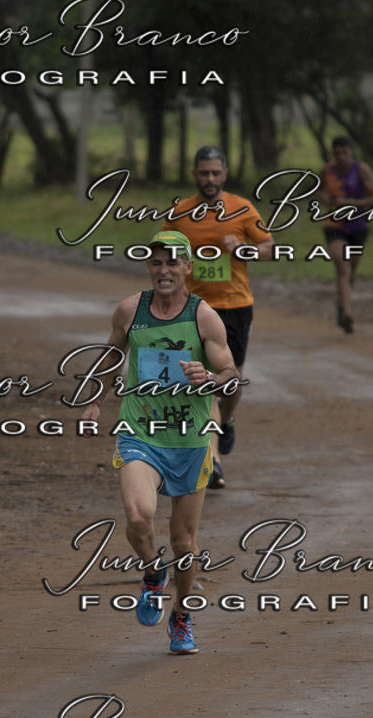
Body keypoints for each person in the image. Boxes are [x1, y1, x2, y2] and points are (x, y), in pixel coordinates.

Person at [80, 230, 239, 654]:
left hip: (189, 440)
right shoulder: (130, 310)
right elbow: (111, 356)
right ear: (147, 266)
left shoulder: (204, 316)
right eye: (156, 262)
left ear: (188, 267)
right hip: (140, 432)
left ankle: (182, 617)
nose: (164, 270)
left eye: (172, 262)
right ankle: (153, 573)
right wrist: (93, 401)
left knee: (184, 542)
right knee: (138, 517)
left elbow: (231, 373)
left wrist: (210, 378)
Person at [162, 146, 274, 488]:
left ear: (224, 174)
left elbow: (270, 248)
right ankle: (213, 461)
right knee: (204, 382)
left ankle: (227, 420)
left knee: (232, 376)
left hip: (235, 305)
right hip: (194, 307)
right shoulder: (179, 213)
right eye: (204, 173)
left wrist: (242, 249)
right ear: (194, 174)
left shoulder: (242, 209)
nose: (209, 178)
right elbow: (162, 253)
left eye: (215, 173)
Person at [318, 136, 373, 333]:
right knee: (343, 267)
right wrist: (327, 199)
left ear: (350, 152)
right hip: (334, 225)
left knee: (350, 271)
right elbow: (317, 191)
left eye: (344, 152)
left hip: (358, 226)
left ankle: (341, 304)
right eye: (337, 153)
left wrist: (349, 203)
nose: (341, 156)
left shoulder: (361, 170)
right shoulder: (327, 171)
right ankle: (347, 313)